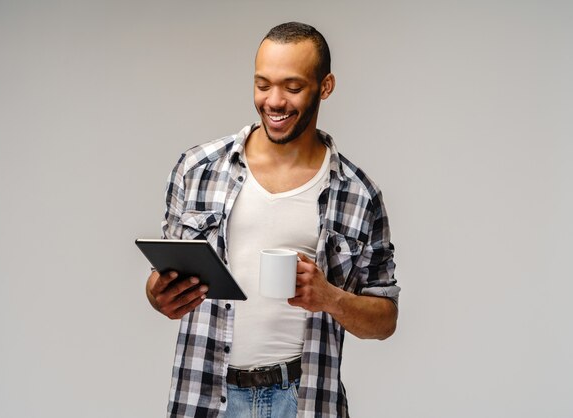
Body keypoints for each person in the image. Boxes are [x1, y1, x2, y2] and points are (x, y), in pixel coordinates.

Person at [145, 22, 400, 418]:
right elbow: (161, 280)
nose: (274, 101)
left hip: (302, 400)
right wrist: (158, 294)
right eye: (263, 85)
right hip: (206, 395)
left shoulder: (358, 193)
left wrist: (330, 297)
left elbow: (384, 320)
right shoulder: (197, 168)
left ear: (325, 86)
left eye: (292, 87)